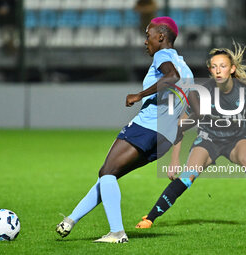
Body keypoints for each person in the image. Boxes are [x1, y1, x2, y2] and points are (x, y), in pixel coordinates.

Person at [56, 17, 197, 243]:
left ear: (161, 36)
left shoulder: (163, 56)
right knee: (109, 175)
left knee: (107, 172)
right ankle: (71, 220)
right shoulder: (187, 68)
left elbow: (171, 77)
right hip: (164, 138)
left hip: (147, 126)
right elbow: (187, 108)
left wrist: (139, 95)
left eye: (148, 35)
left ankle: (117, 232)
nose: (145, 41)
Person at [135, 42, 246, 229]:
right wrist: (174, 159)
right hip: (209, 139)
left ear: (232, 69)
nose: (218, 71)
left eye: (223, 66)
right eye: (214, 67)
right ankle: (150, 218)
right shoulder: (202, 93)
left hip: (237, 139)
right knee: (188, 175)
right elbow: (180, 126)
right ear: (210, 70)